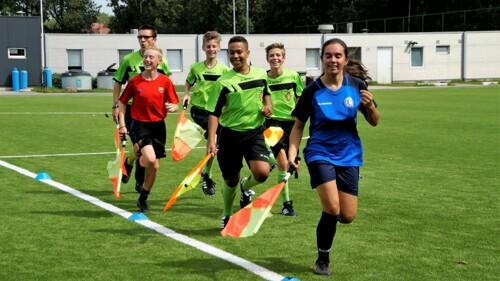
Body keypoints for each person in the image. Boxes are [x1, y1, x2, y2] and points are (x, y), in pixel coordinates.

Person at [288, 38, 380, 276]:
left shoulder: (357, 85)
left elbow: (374, 122)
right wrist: (292, 154)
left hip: (350, 155)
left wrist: (370, 107)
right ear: (322, 59)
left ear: (345, 59)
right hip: (320, 153)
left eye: (338, 56)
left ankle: (327, 225)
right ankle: (322, 259)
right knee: (332, 207)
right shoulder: (312, 91)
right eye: (328, 55)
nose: (333, 60)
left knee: (347, 216)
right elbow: (298, 127)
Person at [206, 36, 273, 229]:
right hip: (229, 136)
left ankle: (246, 186)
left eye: (239, 52)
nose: (235, 56)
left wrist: (267, 106)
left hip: (254, 133)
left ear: (247, 53)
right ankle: (227, 214)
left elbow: (266, 93)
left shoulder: (261, 74)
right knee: (230, 179)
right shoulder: (222, 82)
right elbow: (213, 113)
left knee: (262, 173)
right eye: (231, 52)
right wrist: (212, 140)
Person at [117, 46, 178, 212]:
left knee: (154, 166)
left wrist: (173, 107)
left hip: (158, 126)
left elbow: (174, 102)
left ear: (159, 61)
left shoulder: (165, 82)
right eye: (145, 57)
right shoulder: (135, 81)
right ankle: (132, 160)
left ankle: (143, 197)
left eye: (152, 57)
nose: (148, 60)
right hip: (139, 124)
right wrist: (122, 124)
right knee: (150, 159)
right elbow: (123, 102)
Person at [112, 24, 171, 193]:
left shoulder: (162, 61)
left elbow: (166, 85)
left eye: (146, 37)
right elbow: (118, 83)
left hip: (153, 114)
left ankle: (128, 162)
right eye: (140, 37)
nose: (143, 40)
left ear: (154, 39)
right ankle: (140, 183)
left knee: (142, 149)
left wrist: (169, 104)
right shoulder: (128, 60)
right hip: (132, 112)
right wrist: (116, 105)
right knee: (142, 149)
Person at [182, 31, 229, 196]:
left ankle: (206, 175)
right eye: (208, 46)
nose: (211, 49)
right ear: (203, 47)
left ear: (219, 48)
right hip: (199, 111)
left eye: (214, 46)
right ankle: (207, 176)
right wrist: (186, 94)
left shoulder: (224, 70)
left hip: (216, 113)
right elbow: (188, 83)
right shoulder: (196, 68)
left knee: (215, 145)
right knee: (213, 141)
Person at [264, 43, 304, 216]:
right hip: (271, 124)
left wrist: (298, 113)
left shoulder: (293, 76)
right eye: (272, 55)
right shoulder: (262, 78)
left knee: (289, 164)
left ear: (284, 57)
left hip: (291, 125)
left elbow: (300, 97)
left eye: (278, 55)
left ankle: (245, 186)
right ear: (267, 59)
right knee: (283, 162)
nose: (275, 58)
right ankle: (287, 204)